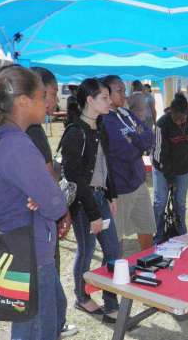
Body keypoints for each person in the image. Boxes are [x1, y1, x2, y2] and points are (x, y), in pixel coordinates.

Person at [0, 65, 68, 339]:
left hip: (18, 248)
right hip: (31, 253)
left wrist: (42, 194)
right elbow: (56, 204)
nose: (50, 101)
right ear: (23, 102)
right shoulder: (16, 145)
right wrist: (49, 195)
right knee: (37, 330)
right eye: (43, 95)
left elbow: (44, 196)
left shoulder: (3, 139)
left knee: (28, 327)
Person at [61, 78, 120, 322]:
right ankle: (82, 297)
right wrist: (94, 213)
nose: (109, 101)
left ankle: (110, 299)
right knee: (86, 251)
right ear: (90, 100)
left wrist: (112, 194)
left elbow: (107, 164)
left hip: (100, 197)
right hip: (84, 202)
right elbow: (76, 178)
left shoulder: (101, 126)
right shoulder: (75, 133)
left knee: (113, 250)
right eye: (104, 97)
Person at [27, 66, 76, 338]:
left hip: (37, 229)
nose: (55, 101)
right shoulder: (30, 131)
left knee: (49, 296)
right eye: (53, 93)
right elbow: (46, 181)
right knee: (42, 302)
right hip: (37, 232)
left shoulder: (18, 131)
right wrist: (61, 211)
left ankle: (55, 326)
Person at [99, 75, 156, 252]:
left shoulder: (126, 114)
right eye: (119, 90)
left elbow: (149, 136)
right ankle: (115, 273)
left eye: (124, 90)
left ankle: (148, 261)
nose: (124, 94)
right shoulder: (104, 121)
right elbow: (123, 152)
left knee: (147, 228)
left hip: (138, 183)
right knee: (116, 239)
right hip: (119, 189)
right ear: (106, 93)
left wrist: (136, 141)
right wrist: (138, 142)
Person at [152, 92, 188, 243]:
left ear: (187, 113)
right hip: (162, 167)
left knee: (180, 202)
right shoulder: (162, 124)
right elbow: (160, 154)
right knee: (160, 202)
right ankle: (158, 235)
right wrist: (169, 178)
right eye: (176, 119)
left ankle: (181, 233)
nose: (179, 123)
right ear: (170, 112)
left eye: (182, 119)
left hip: (183, 167)